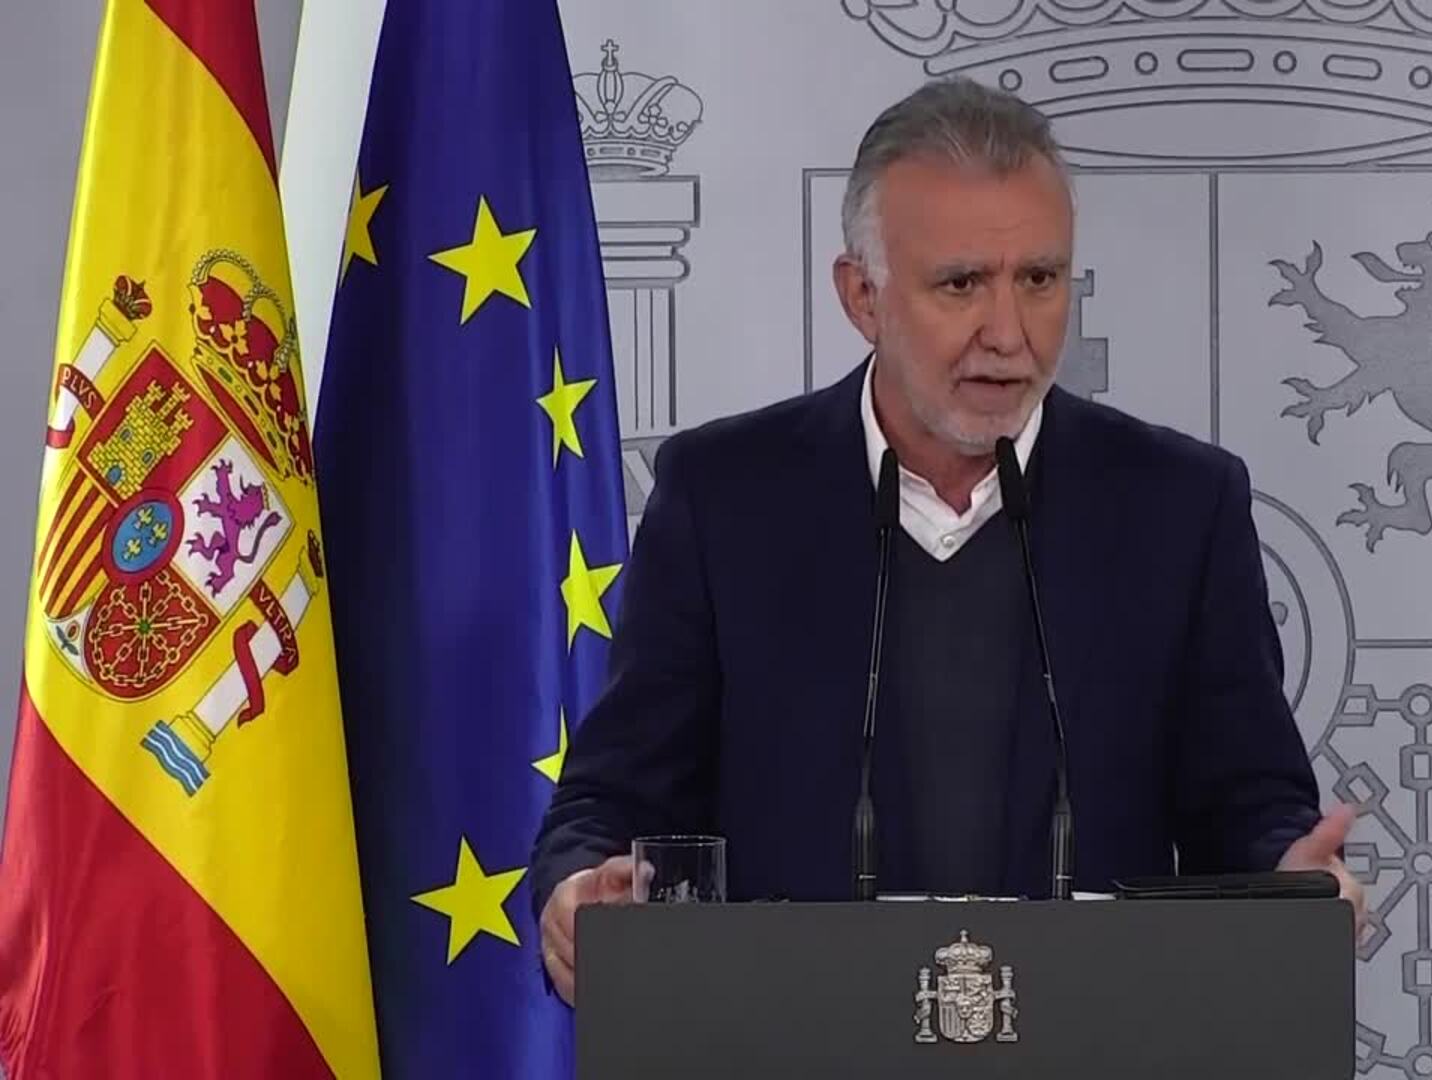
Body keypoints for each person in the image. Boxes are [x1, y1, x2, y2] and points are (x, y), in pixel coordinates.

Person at [530, 76, 1363, 1004]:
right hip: (791, 1036)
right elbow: (616, 800)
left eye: (1039, 280)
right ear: (863, 296)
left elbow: (1245, 807)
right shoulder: (723, 497)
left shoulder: (1180, 505)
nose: (1008, 333)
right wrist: (581, 887)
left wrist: (1291, 879)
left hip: (1093, 1037)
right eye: (961, 284)